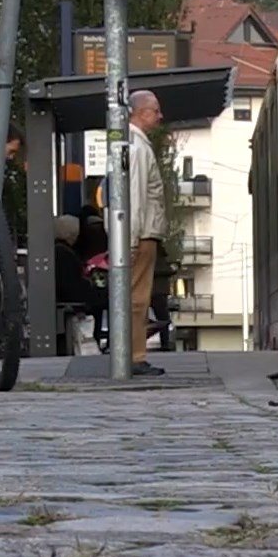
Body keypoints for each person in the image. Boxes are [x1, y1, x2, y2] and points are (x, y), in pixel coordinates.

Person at [125, 90, 168, 376]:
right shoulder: (138, 148)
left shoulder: (132, 144)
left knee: (134, 296)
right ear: (141, 113)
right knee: (138, 297)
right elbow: (136, 196)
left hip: (138, 233)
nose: (160, 116)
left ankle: (130, 354)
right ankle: (135, 356)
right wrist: (131, 239)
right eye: (155, 110)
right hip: (142, 234)